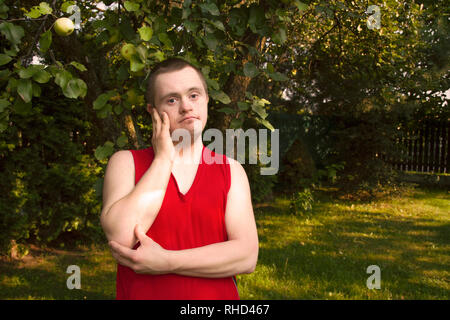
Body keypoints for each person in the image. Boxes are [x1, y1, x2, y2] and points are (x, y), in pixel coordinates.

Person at [100, 58, 259, 300]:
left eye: (194, 95)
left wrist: (167, 262)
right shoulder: (126, 163)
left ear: (206, 99)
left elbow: (246, 256)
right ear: (153, 112)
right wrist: (164, 158)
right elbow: (121, 237)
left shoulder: (230, 170)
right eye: (171, 100)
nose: (186, 107)